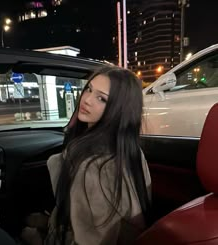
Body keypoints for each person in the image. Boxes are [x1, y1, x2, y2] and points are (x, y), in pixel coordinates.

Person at [22, 66, 151, 245]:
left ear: (119, 109)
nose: (87, 100)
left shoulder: (91, 165)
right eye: (88, 89)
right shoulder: (131, 150)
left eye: (102, 98)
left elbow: (92, 238)